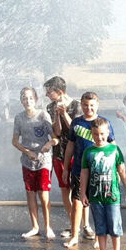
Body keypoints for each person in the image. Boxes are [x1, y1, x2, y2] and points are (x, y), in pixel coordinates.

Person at [63, 91, 116, 248]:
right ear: (81, 105)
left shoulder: (104, 123)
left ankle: (101, 238)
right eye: (85, 105)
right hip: (79, 170)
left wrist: (114, 170)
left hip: (100, 173)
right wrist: (66, 167)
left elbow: (113, 146)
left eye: (92, 105)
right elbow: (70, 145)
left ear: (97, 105)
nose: (88, 108)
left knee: (98, 204)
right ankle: (74, 235)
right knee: (77, 201)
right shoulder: (76, 123)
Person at [80, 118, 126, 250]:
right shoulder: (88, 152)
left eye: (102, 134)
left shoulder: (114, 150)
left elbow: (122, 170)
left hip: (112, 196)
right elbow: (84, 173)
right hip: (96, 196)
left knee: (115, 224)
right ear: (91, 134)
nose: (99, 137)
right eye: (95, 134)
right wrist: (82, 193)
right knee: (100, 224)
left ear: (108, 132)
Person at [43, 76, 88, 239]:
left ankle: (86, 225)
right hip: (59, 153)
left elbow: (75, 129)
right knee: (65, 188)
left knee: (82, 189)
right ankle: (72, 224)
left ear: (59, 92)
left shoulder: (77, 106)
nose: (47, 95)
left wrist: (64, 113)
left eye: (49, 92)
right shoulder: (50, 107)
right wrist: (57, 115)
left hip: (78, 152)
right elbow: (57, 132)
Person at [12, 87, 59, 239]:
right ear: (21, 100)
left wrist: (48, 144)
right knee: (30, 194)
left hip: (44, 160)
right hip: (27, 161)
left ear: (36, 99)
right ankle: (35, 227)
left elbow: (55, 138)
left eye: (31, 98)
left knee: (43, 195)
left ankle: (48, 227)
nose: (28, 101)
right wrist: (27, 152)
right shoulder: (19, 118)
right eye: (25, 98)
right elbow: (14, 141)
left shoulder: (43, 115)